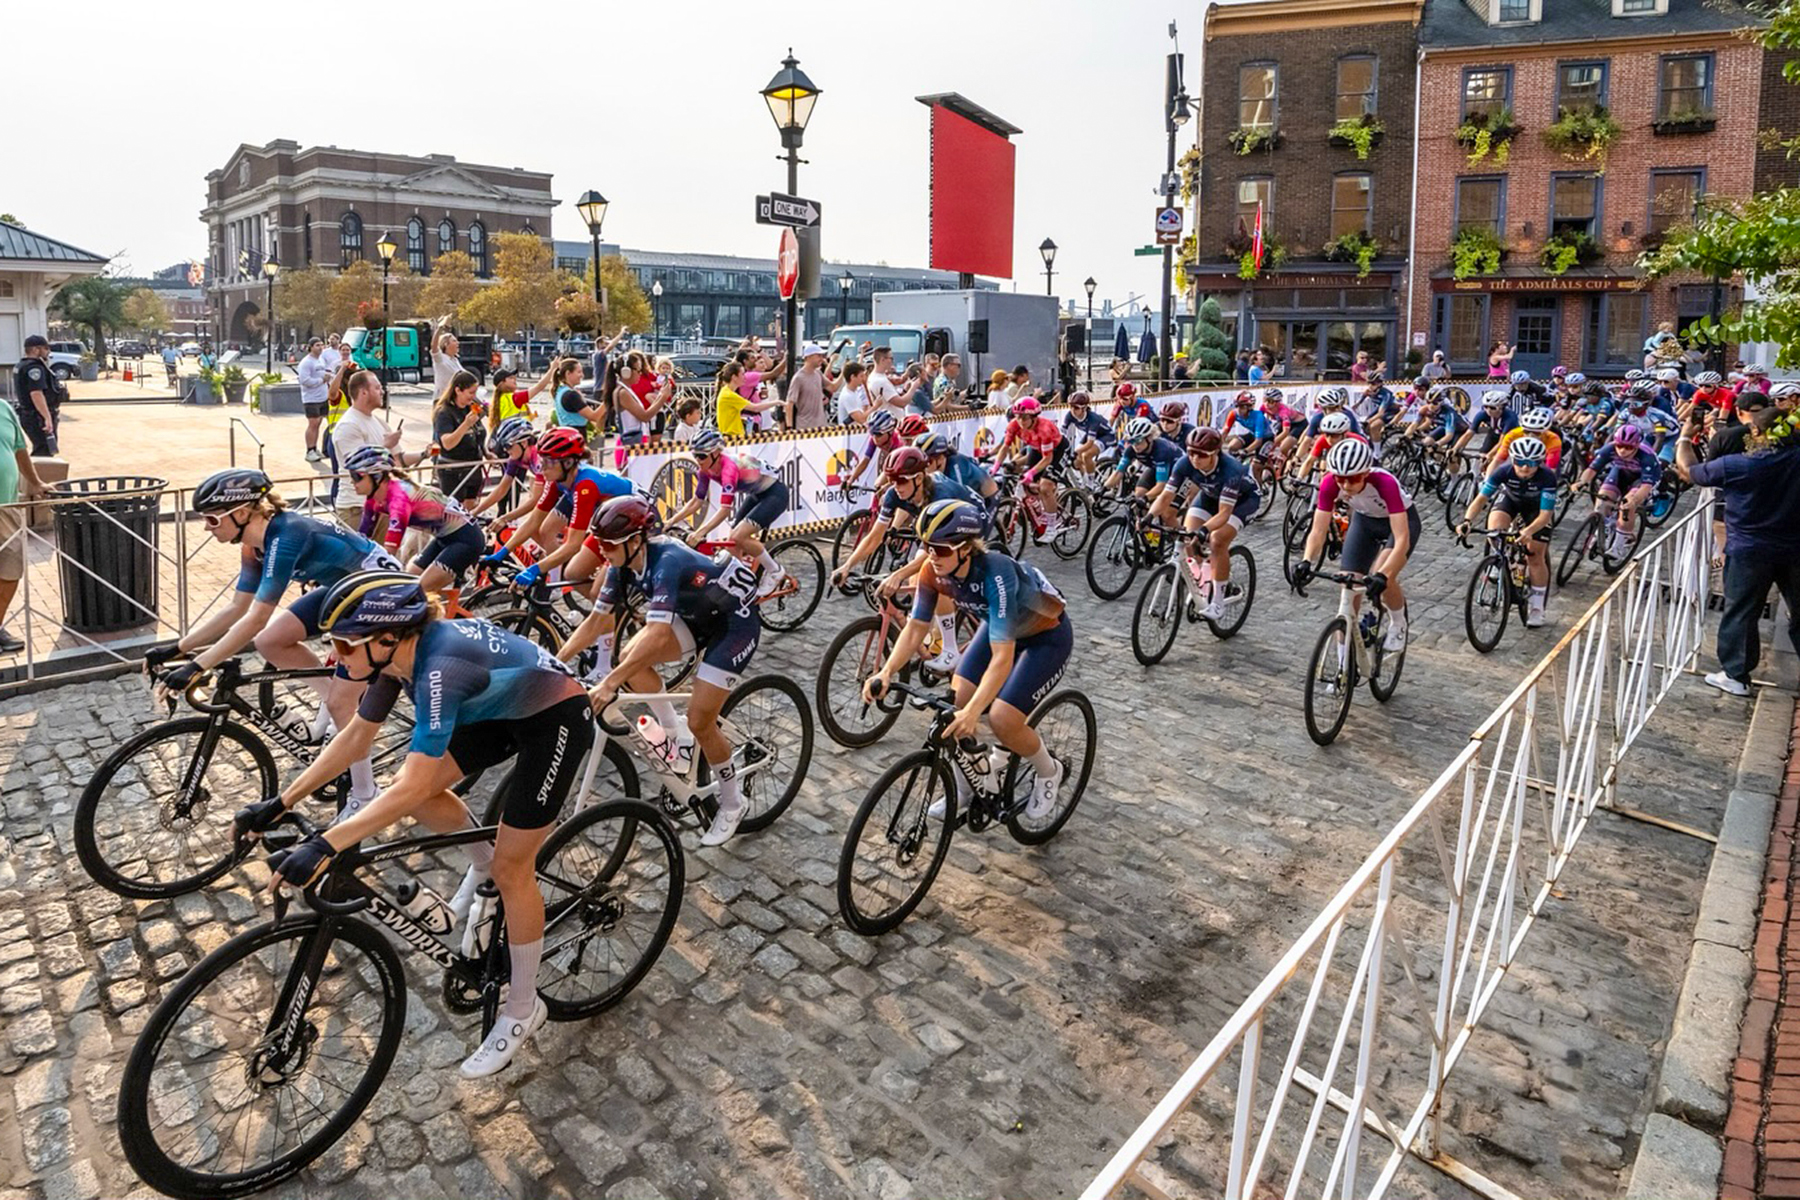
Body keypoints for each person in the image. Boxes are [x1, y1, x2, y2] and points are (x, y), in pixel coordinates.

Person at [244, 569, 593, 1077]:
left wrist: (326, 844)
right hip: (496, 709)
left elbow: (408, 782)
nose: (334, 657)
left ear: (387, 637)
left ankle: (523, 1007)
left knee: (513, 870)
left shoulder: (436, 669)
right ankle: (483, 870)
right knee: (422, 800)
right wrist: (282, 800)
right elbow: (355, 739)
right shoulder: (394, 657)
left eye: (343, 645)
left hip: (554, 718)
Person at [148, 470, 402, 819]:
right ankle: (339, 707)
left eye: (210, 518)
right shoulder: (253, 544)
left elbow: (255, 616)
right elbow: (237, 607)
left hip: (380, 592)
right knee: (271, 642)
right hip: (344, 590)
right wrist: (180, 648)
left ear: (242, 513)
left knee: (342, 704)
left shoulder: (286, 534)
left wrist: (198, 665)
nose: (207, 527)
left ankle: (364, 793)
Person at [863, 498, 1073, 820]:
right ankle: (966, 787)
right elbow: (917, 627)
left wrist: (975, 712)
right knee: (953, 706)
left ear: (966, 548)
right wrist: (887, 671)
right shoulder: (931, 572)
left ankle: (1049, 770)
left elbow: (1002, 659)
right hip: (999, 626)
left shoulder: (996, 573)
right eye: (927, 546)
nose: (932, 555)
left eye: (942, 549)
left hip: (1046, 637)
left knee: (1003, 718)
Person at [582, 495, 763, 845]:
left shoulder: (667, 560)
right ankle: (672, 731)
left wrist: (608, 683)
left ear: (636, 541)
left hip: (734, 624)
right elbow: (594, 622)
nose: (601, 550)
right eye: (599, 542)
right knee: (630, 659)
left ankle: (731, 801)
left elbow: (659, 632)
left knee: (700, 720)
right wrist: (555, 660)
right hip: (699, 616)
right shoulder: (620, 566)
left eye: (608, 544)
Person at [1673, 399, 1800, 696]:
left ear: (1756, 432)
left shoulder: (1741, 465)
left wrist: (1684, 437)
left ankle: (1736, 675)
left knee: (1741, 611)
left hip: (1749, 549)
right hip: (1795, 548)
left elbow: (1689, 471)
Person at [1294, 438, 1418, 651]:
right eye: (1340, 479)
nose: (1345, 486)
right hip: (1364, 522)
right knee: (1348, 584)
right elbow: (1318, 530)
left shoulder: (1385, 483)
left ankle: (1398, 623)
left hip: (1397, 524)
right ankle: (1343, 668)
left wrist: (1382, 575)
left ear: (1366, 473)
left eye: (1352, 480)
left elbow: (1401, 540)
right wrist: (1306, 560)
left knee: (1383, 577)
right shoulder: (1330, 483)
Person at [485, 427, 634, 591]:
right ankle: (559, 584)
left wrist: (536, 569)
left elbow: (573, 544)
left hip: (630, 521)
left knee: (594, 589)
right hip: (608, 518)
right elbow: (533, 521)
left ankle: (615, 610)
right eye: (542, 461)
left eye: (548, 462)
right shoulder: (557, 479)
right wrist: (500, 554)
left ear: (568, 463)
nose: (542, 468)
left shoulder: (585, 486)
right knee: (568, 567)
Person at [666, 430, 792, 598]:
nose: (697, 460)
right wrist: (671, 521)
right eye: (695, 455)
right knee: (732, 543)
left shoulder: (729, 468)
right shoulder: (704, 470)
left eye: (702, 456)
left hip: (775, 494)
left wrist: (700, 532)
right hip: (757, 494)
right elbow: (697, 501)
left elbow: (725, 510)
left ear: (716, 453)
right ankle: (742, 589)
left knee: (739, 536)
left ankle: (775, 571)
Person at [1151, 427, 1258, 619]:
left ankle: (1217, 602)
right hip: (1210, 496)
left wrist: (1205, 529)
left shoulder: (1232, 469)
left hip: (1243, 501)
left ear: (1215, 453)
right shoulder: (1185, 463)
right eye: (1191, 452)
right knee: (1189, 537)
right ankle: (1203, 580)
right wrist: (1148, 517)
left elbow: (1225, 513)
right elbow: (1166, 496)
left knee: (1217, 539)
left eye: (1201, 454)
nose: (1195, 458)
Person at [346, 447, 484, 593]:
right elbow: (362, 538)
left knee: (414, 591)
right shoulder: (372, 501)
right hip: (443, 539)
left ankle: (437, 615)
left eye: (357, 477)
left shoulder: (399, 500)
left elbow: (389, 552)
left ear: (377, 477)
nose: (351, 481)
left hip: (466, 540)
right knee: (406, 581)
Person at [1459, 434, 1557, 627]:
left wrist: (1529, 530)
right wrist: (1467, 521)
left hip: (1536, 510)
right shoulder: (1503, 472)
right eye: (1519, 461)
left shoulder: (1547, 477)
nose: (1525, 467)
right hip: (1511, 500)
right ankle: (1499, 561)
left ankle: (1537, 607)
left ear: (1539, 462)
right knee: (1494, 530)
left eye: (1531, 462)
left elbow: (1545, 515)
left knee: (1535, 555)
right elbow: (1480, 500)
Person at [331, 370, 411, 524]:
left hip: (381, 504)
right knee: (358, 549)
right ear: (363, 393)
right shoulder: (348, 425)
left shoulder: (379, 422)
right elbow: (360, 465)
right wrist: (387, 445)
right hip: (355, 507)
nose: (382, 392)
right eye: (377, 388)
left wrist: (425, 453)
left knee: (385, 549)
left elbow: (398, 458)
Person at [0, 395, 46, 653]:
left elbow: (19, 449)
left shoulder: (3, 408)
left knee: (9, 570)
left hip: (6, 507)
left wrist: (36, 483)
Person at [993, 397, 1066, 541]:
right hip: (1036, 449)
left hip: (1057, 450)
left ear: (1034, 417)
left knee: (1045, 486)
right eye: (1018, 417)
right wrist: (995, 466)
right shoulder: (1014, 425)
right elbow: (1005, 447)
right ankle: (1043, 509)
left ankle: (1052, 526)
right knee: (1026, 484)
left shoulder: (1044, 429)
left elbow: (1047, 459)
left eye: (1024, 418)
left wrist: (1032, 472)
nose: (1021, 421)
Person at [431, 370, 487, 503]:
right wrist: (466, 424)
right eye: (471, 393)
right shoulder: (444, 412)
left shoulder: (471, 408)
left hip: (473, 468)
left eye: (475, 393)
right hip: (453, 470)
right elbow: (447, 443)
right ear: (458, 390)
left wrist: (486, 452)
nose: (473, 397)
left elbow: (478, 434)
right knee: (455, 513)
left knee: (471, 509)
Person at [13, 335, 64, 457]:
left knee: (42, 450)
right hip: (37, 417)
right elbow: (36, 393)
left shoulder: (21, 365)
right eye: (46, 348)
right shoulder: (34, 368)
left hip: (30, 414)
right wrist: (47, 418)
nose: (48, 351)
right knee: (44, 452)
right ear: (36, 350)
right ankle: (42, 476)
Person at [613, 351, 671, 446]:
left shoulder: (625, 390)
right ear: (626, 372)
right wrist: (662, 397)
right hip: (631, 443)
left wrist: (661, 395)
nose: (640, 374)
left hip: (635, 440)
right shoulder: (622, 393)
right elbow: (645, 416)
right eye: (638, 370)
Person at [715, 360, 782, 438]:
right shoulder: (729, 395)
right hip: (732, 436)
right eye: (742, 374)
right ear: (734, 377)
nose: (745, 377)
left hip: (733, 434)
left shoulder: (726, 391)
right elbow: (755, 408)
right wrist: (777, 402)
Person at [296, 339, 333, 463]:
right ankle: (309, 450)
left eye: (322, 345)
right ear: (310, 347)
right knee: (313, 423)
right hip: (311, 399)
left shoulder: (321, 360)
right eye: (317, 345)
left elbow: (324, 373)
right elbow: (304, 380)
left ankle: (315, 448)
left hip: (323, 396)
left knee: (318, 423)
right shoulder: (306, 363)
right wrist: (321, 381)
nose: (320, 347)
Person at [786, 342, 831, 429]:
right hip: (805, 427)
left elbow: (833, 387)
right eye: (818, 356)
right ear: (809, 357)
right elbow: (789, 403)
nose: (822, 359)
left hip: (821, 426)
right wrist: (789, 427)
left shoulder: (818, 373)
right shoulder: (798, 378)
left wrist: (844, 372)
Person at [834, 361, 872, 425]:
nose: (863, 379)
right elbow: (861, 419)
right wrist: (876, 406)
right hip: (849, 433)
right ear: (852, 377)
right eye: (861, 376)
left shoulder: (855, 391)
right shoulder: (847, 395)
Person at [430, 323, 462, 394]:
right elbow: (434, 346)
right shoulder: (440, 359)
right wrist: (439, 328)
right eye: (454, 341)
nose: (458, 343)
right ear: (446, 344)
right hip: (442, 398)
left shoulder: (455, 360)